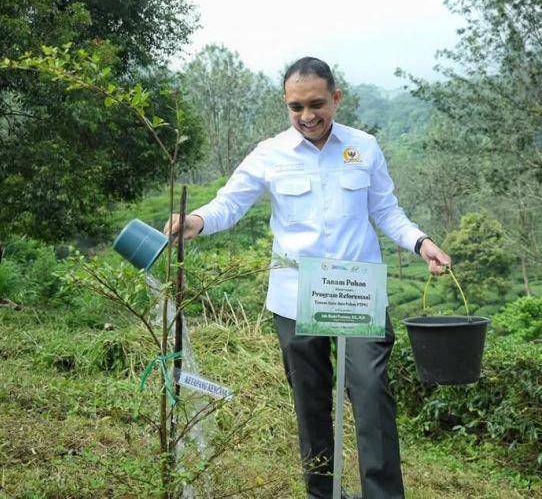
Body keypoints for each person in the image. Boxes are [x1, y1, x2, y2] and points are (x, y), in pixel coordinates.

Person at [166, 56, 450, 499]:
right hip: (295, 297)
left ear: (336, 98)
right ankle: (323, 494)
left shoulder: (365, 147)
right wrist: (196, 221)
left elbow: (386, 210)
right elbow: (229, 203)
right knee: (311, 402)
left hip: (357, 293)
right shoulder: (269, 153)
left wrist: (420, 242)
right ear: (287, 106)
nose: (307, 116)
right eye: (295, 107)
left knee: (372, 394)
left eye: (316, 104)